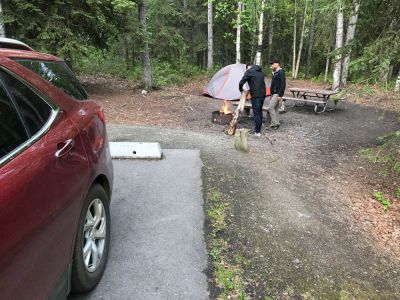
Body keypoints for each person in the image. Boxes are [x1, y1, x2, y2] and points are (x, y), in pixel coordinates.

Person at [239, 63, 266, 137]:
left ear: (249, 68)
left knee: (256, 113)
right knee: (259, 111)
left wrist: (241, 89)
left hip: (256, 95)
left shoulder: (249, 72)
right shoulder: (261, 72)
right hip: (263, 95)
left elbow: (241, 82)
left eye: (247, 68)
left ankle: (257, 132)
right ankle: (258, 128)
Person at [268, 58, 286, 130]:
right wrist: (271, 94)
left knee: (270, 107)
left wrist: (280, 95)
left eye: (273, 64)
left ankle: (274, 124)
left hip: (277, 93)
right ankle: (277, 123)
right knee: (275, 108)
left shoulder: (281, 72)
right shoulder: (276, 72)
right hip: (274, 93)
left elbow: (283, 84)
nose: (272, 65)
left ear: (277, 64)